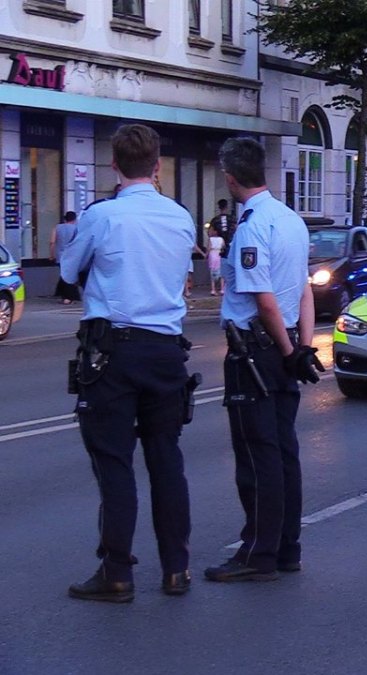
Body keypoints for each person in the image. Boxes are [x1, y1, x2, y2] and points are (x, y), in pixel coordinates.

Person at [60, 123, 197, 602]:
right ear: (157, 165)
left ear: (114, 166)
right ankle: (176, 569)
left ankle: (117, 573)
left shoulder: (103, 216)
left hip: (113, 352)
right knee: (167, 460)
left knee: (114, 463)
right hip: (165, 350)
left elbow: (68, 271)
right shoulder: (180, 217)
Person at [205, 137, 323, 583]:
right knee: (284, 451)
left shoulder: (253, 226)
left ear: (230, 177)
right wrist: (301, 347)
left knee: (258, 458)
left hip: (254, 350)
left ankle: (258, 553)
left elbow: (265, 299)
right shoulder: (291, 219)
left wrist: (291, 350)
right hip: (284, 345)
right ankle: (286, 547)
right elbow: (305, 289)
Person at [51, 211, 80, 305]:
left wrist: (52, 254)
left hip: (60, 255)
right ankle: (68, 297)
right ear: (74, 219)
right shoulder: (77, 229)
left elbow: (52, 242)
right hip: (72, 256)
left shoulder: (57, 227)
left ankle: (65, 295)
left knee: (64, 275)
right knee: (69, 276)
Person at [207, 225, 225, 296]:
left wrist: (205, 255)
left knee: (212, 271)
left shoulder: (210, 239)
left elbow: (208, 248)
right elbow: (223, 247)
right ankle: (222, 289)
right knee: (221, 272)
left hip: (212, 254)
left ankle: (213, 289)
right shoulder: (222, 239)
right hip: (219, 254)